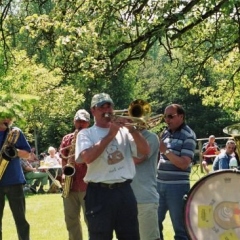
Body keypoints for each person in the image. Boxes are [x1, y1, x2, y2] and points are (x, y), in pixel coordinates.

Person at [75, 93, 150, 240]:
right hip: (98, 193)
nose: (106, 110)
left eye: (109, 106)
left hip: (124, 191)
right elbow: (88, 157)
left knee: (131, 236)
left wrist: (132, 129)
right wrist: (110, 135)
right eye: (101, 107)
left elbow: (145, 151)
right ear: (93, 111)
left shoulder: (125, 131)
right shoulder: (86, 134)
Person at [157, 104, 196, 240]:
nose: (167, 120)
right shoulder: (166, 133)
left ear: (181, 116)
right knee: (154, 224)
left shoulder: (189, 135)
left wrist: (165, 151)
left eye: (170, 116)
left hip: (177, 188)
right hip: (159, 185)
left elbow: (184, 164)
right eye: (165, 116)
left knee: (180, 229)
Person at [60, 109, 90, 240]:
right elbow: (63, 159)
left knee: (91, 220)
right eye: (78, 121)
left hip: (87, 185)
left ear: (88, 123)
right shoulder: (67, 139)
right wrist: (63, 173)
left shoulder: (92, 137)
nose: (80, 124)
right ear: (74, 121)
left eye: (83, 122)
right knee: (71, 220)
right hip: (70, 185)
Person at [0, 117, 31, 240]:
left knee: (21, 220)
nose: (7, 119)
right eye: (4, 116)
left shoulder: (16, 132)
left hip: (15, 181)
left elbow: (28, 154)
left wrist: (15, 151)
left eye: (9, 117)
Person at [130, 127, 160, 240]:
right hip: (127, 199)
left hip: (145, 198)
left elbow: (138, 159)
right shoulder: (125, 138)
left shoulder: (151, 137)